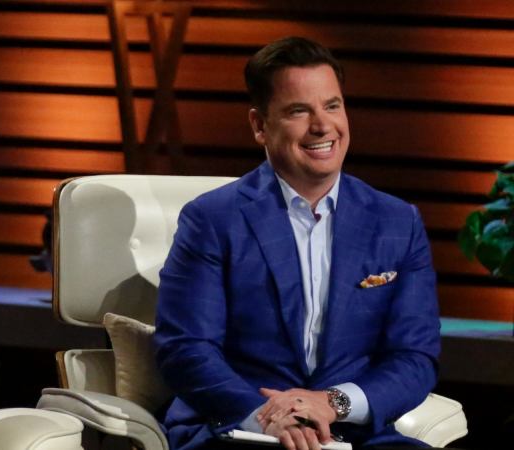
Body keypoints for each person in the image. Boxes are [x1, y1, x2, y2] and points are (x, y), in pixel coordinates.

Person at [153, 37, 442, 450]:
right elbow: (186, 349)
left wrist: (333, 403)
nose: (322, 126)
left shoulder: (397, 221)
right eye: (298, 111)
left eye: (332, 106)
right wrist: (268, 417)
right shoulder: (212, 220)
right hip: (241, 429)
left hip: (350, 433)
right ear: (259, 125)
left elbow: (415, 357)